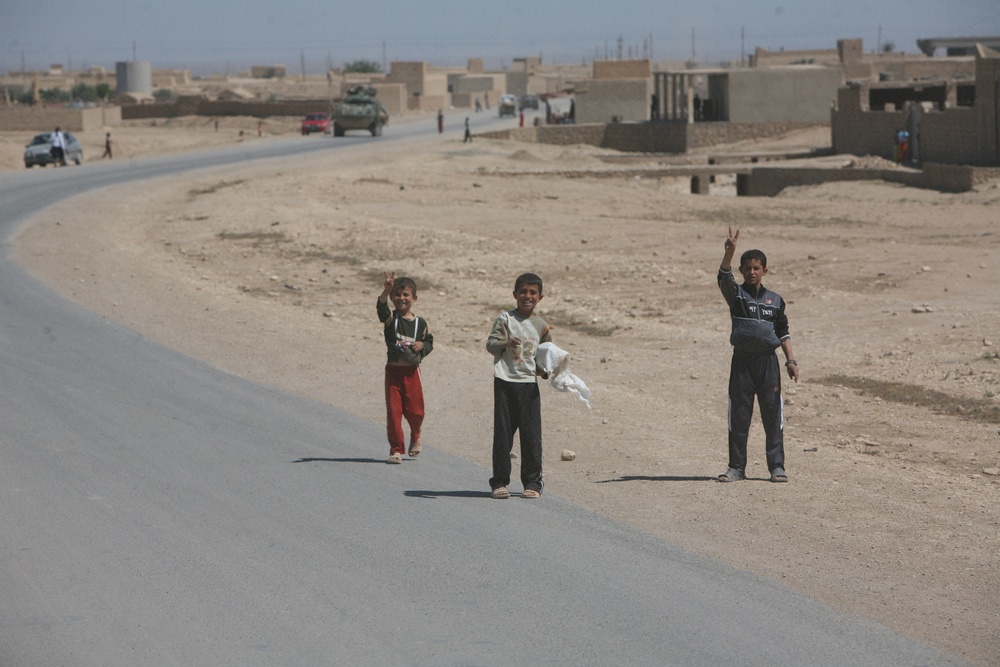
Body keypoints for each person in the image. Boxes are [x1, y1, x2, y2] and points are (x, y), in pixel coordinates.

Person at [717, 228, 798, 483]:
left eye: (757, 268)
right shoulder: (736, 296)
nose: (752, 272)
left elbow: (783, 331)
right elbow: (723, 276)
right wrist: (729, 252)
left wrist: (791, 360)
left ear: (765, 271)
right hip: (742, 362)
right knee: (740, 416)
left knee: (773, 416)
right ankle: (736, 468)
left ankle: (777, 467)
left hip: (768, 364)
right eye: (748, 268)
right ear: (742, 271)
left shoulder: (775, 300)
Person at [486, 273, 552, 499]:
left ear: (540, 297)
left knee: (531, 435)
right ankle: (499, 483)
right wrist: (505, 344)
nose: (527, 296)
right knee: (503, 435)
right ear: (515, 294)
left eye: (533, 292)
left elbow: (546, 356)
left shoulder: (542, 325)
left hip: (528, 386)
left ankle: (533, 483)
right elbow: (491, 344)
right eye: (523, 291)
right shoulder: (505, 319)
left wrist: (545, 372)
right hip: (505, 382)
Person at [378, 272, 433, 464]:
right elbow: (382, 309)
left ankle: (416, 435)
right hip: (393, 372)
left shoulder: (420, 323)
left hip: (412, 372)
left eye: (406, 295)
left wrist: (421, 346)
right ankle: (396, 449)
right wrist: (386, 291)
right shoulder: (391, 320)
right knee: (394, 412)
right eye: (397, 295)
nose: (401, 298)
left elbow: (429, 342)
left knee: (416, 411)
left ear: (414, 298)